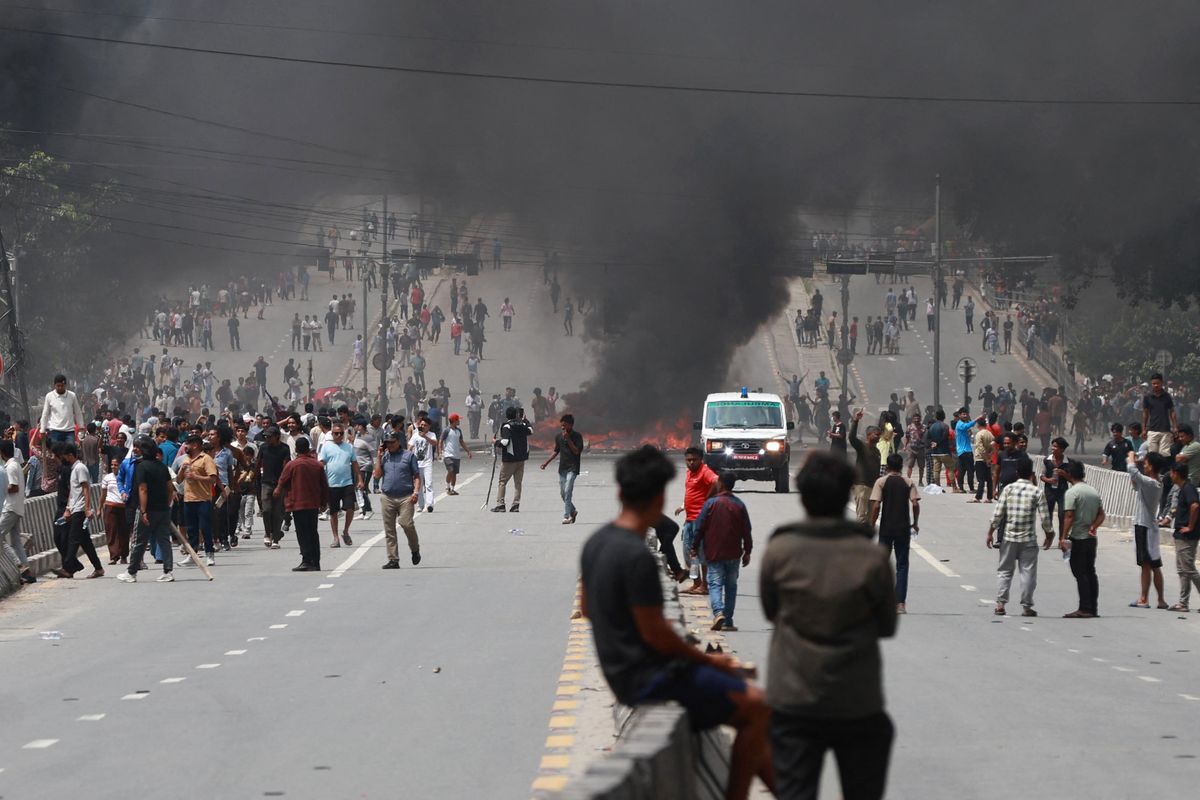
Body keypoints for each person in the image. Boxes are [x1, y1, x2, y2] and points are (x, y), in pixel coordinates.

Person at [581, 446, 775, 800]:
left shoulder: (595, 544)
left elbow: (588, 609)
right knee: (756, 707)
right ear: (659, 498)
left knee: (747, 700)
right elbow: (658, 634)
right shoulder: (636, 556)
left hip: (622, 674)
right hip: (648, 679)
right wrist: (709, 660)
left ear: (620, 493)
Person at [761, 451, 895, 800]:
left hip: (793, 700)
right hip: (857, 702)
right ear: (847, 494)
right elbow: (886, 626)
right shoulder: (872, 557)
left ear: (802, 496)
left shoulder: (780, 550)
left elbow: (770, 610)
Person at [985, 457, 1054, 616]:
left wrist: (990, 532)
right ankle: (1027, 606)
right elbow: (1045, 518)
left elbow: (998, 514)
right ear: (1031, 473)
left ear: (1017, 472)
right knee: (1028, 572)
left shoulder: (1008, 489)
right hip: (1028, 539)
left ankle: (1000, 604)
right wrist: (1049, 534)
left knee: (1005, 571)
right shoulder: (1037, 491)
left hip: (1009, 537)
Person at [689, 472, 752, 631]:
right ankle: (728, 621)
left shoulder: (710, 504)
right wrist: (748, 551)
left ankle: (718, 613)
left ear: (720, 484)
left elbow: (700, 527)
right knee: (731, 586)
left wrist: (694, 547)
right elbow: (747, 530)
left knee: (715, 584)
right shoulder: (739, 504)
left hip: (714, 552)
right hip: (734, 553)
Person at [116, 438, 176, 583]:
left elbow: (143, 489)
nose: (136, 450)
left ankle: (131, 572)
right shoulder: (162, 466)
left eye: (138, 447)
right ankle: (168, 571)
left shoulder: (142, 467)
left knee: (139, 541)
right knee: (164, 541)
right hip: (163, 510)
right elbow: (170, 489)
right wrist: (167, 506)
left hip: (148, 511)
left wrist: (143, 511)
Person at [869, 454, 920, 614]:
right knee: (902, 566)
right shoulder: (908, 482)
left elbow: (876, 505)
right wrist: (915, 522)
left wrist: (872, 523)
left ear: (888, 466)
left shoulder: (881, 482)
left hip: (886, 528)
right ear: (901, 466)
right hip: (903, 528)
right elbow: (915, 503)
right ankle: (900, 604)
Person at [275, 437, 329, 572]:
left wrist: (277, 492)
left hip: (298, 504)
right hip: (313, 504)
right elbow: (324, 485)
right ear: (309, 449)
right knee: (312, 532)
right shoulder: (317, 465)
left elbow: (282, 481)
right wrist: (324, 502)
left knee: (302, 533)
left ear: (297, 449)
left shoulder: (292, 465)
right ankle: (316, 562)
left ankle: (306, 560)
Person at [1060, 460, 1105, 618]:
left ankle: (1084, 608)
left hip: (1078, 537)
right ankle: (1092, 607)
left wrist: (1063, 537)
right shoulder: (1092, 490)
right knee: (1090, 571)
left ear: (1069, 474)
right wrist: (1094, 526)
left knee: (1080, 572)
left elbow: (1069, 516)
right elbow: (1101, 514)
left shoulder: (1072, 492)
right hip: (1091, 538)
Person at [52, 444, 104, 579]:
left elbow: (86, 488)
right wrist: (68, 509)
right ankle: (98, 568)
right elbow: (72, 492)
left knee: (73, 539)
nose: (63, 459)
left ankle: (68, 568)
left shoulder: (80, 468)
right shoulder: (74, 469)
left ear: (70, 455)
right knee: (85, 542)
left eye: (64, 456)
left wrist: (87, 508)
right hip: (75, 508)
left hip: (80, 509)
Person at [674, 446, 720, 596]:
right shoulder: (689, 472)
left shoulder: (705, 472)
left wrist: (708, 498)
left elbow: (717, 482)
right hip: (689, 519)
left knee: (701, 553)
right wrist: (683, 506)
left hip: (700, 521)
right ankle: (696, 583)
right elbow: (692, 492)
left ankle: (704, 585)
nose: (691, 463)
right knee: (689, 553)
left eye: (694, 460)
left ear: (701, 460)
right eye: (688, 460)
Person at [1128, 450, 1169, 610]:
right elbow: (1135, 482)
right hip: (1149, 527)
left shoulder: (1151, 483)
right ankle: (1160, 599)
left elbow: (1132, 470)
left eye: (1145, 463)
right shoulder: (1156, 482)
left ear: (1151, 467)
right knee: (1154, 565)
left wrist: (1131, 456)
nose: (1143, 465)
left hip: (1144, 526)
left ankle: (1144, 598)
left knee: (1146, 565)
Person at [376, 432, 422, 568]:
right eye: (387, 443)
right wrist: (378, 457)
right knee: (389, 530)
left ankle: (415, 549)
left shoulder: (409, 456)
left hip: (406, 497)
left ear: (398, 442)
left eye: (392, 442)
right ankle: (393, 559)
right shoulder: (385, 457)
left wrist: (416, 492)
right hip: (387, 497)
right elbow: (377, 475)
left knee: (406, 523)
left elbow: (417, 476)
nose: (389, 445)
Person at [319, 423, 362, 546]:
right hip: (332, 484)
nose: (338, 435)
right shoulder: (327, 447)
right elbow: (322, 463)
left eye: (341, 433)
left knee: (350, 508)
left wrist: (360, 479)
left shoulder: (348, 447)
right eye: (336, 433)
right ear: (332, 434)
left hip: (347, 483)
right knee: (333, 512)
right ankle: (335, 537)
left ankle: (346, 531)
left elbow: (354, 464)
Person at [179, 433, 218, 568]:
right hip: (188, 499)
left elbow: (212, 478)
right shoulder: (185, 459)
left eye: (188, 444)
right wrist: (182, 470)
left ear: (195, 445)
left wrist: (196, 477)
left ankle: (209, 553)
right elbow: (178, 480)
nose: (185, 447)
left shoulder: (206, 459)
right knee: (191, 529)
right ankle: (192, 554)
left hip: (203, 499)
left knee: (205, 527)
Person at [0, 440, 35, 585]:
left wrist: (2, 489)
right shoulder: (15, 465)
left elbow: (13, 487)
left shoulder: (10, 467)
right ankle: (27, 572)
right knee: (16, 542)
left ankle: (19, 566)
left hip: (10, 507)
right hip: (16, 507)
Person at [1167, 461, 1200, 611]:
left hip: (1188, 536)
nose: (1170, 475)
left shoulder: (1188, 488)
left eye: (1171, 472)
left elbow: (1195, 506)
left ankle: (1183, 602)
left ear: (1176, 473)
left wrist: (1190, 526)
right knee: (1182, 570)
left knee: (1189, 569)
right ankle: (1183, 602)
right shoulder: (1181, 489)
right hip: (1180, 535)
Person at [541, 414, 583, 524]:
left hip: (572, 468)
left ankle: (566, 516)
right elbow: (556, 451)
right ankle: (573, 511)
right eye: (562, 426)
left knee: (568, 491)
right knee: (563, 493)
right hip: (562, 468)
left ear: (571, 425)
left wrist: (568, 439)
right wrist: (546, 463)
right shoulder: (558, 437)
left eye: (565, 426)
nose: (563, 428)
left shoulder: (577, 436)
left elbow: (576, 451)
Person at [491, 407, 532, 513]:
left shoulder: (507, 426)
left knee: (502, 482)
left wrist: (495, 442)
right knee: (518, 483)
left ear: (507, 415)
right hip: (521, 458)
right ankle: (515, 505)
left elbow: (505, 442)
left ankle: (500, 504)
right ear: (516, 415)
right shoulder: (522, 425)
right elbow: (531, 431)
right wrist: (525, 420)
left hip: (509, 459)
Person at [256, 427, 291, 549]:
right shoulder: (263, 447)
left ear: (277, 436)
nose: (267, 438)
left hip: (279, 484)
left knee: (277, 512)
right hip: (265, 483)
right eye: (265, 436)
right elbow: (258, 463)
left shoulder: (284, 449)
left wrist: (280, 486)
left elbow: (286, 468)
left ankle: (275, 538)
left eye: (269, 436)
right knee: (266, 510)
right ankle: (267, 532)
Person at [847, 410, 881, 524]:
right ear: (868, 435)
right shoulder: (862, 446)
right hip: (862, 486)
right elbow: (851, 437)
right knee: (862, 518)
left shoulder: (877, 451)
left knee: (871, 518)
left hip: (873, 487)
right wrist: (855, 421)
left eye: (879, 435)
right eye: (876, 434)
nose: (878, 437)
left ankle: (867, 540)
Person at [39, 374, 85, 447]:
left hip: (69, 431)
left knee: (71, 452)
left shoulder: (72, 395)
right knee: (55, 453)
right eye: (58, 386)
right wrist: (42, 430)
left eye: (62, 386)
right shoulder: (49, 396)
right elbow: (45, 414)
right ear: (54, 385)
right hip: (54, 431)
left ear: (65, 385)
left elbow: (78, 412)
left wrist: (81, 426)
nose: (60, 388)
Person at [100, 458, 129, 565]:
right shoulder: (107, 478)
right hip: (110, 506)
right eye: (112, 465)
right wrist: (99, 508)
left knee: (124, 532)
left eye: (115, 465)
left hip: (123, 507)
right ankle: (113, 556)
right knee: (111, 532)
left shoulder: (125, 477)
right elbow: (103, 494)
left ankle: (124, 556)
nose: (113, 467)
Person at [1040, 437, 1071, 537]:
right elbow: (1042, 476)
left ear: (1062, 449)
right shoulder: (1047, 460)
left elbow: (1071, 478)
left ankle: (1062, 537)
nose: (1053, 448)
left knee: (1062, 514)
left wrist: (1064, 474)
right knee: (1047, 515)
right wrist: (1049, 480)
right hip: (1049, 491)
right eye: (1052, 446)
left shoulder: (1068, 462)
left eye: (1055, 447)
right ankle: (1049, 535)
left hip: (1062, 491)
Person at [1142, 372, 1177, 457]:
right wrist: (1143, 429)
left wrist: (1175, 426)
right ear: (1151, 384)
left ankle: (1163, 470)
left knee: (1164, 455)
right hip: (1152, 430)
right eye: (1154, 383)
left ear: (1161, 383)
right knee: (1152, 456)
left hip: (1165, 430)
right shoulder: (1147, 397)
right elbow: (1145, 414)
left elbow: (1172, 411)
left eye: (1157, 383)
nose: (1156, 385)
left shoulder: (1167, 396)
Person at [408, 417, 438, 513]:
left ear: (429, 426)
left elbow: (434, 443)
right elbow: (410, 446)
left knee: (428, 484)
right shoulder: (415, 435)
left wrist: (425, 436)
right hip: (416, 464)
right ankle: (420, 505)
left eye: (425, 425)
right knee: (418, 485)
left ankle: (429, 504)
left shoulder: (431, 434)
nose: (423, 426)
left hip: (427, 463)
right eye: (421, 424)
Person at [439, 413, 471, 496]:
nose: (459, 421)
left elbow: (461, 441)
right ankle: (447, 486)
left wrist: (468, 451)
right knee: (451, 470)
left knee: (454, 473)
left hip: (457, 455)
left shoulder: (458, 431)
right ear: (453, 421)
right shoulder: (447, 430)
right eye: (458, 420)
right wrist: (440, 451)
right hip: (448, 454)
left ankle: (453, 489)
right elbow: (441, 440)